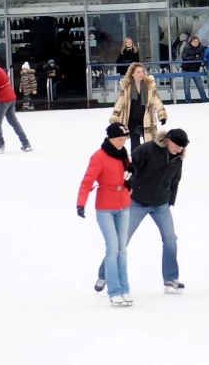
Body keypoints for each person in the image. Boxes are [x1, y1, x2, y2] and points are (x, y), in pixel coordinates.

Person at [94, 128, 188, 295]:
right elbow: (129, 168)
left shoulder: (177, 159)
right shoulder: (147, 149)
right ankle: (104, 275)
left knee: (170, 239)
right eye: (177, 145)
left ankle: (170, 278)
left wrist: (170, 200)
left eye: (182, 147)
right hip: (137, 201)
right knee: (120, 241)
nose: (179, 149)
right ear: (168, 140)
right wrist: (126, 189)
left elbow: (176, 180)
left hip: (160, 204)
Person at [77, 123, 134, 307]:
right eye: (119, 139)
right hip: (105, 207)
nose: (122, 142)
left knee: (122, 249)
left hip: (124, 204)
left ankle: (125, 289)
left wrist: (131, 175)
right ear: (110, 138)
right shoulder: (99, 157)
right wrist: (81, 203)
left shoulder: (123, 154)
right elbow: (87, 181)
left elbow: (129, 171)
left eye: (125, 139)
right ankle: (115, 291)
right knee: (112, 248)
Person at [0, 54, 32, 153]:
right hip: (11, 98)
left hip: (5, 100)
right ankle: (26, 143)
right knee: (13, 121)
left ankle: (0, 144)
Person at [110, 63, 167, 152]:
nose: (141, 74)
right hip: (132, 120)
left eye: (142, 71)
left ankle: (148, 164)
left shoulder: (149, 85)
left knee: (150, 145)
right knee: (135, 146)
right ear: (132, 74)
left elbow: (157, 101)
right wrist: (115, 117)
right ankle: (136, 164)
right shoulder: (127, 87)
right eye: (138, 72)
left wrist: (161, 115)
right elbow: (120, 102)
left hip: (147, 119)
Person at [180, 36, 208, 103]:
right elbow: (184, 57)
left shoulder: (201, 48)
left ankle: (204, 100)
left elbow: (201, 57)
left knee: (200, 86)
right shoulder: (186, 48)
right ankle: (188, 101)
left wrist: (193, 58)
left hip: (196, 70)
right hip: (186, 70)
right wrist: (194, 57)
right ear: (191, 42)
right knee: (186, 87)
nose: (196, 43)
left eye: (197, 41)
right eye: (194, 41)